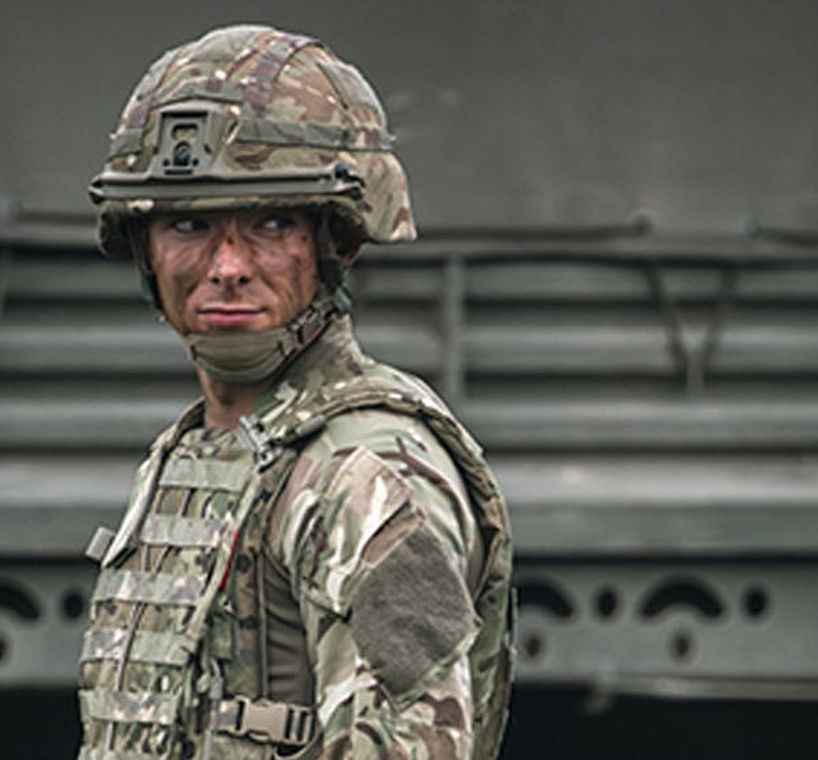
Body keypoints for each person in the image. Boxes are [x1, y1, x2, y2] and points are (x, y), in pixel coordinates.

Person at [75, 24, 514, 760]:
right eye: (189, 224)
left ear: (337, 242)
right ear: (144, 247)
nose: (228, 266)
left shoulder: (367, 476)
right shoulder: (200, 449)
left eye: (272, 223)